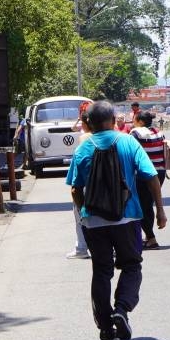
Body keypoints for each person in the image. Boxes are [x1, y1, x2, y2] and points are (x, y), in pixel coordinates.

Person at [66, 101, 167, 340]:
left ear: (88, 123)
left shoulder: (83, 148)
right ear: (113, 120)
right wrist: (160, 211)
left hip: (94, 221)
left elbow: (75, 189)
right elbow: (151, 177)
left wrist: (84, 216)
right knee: (132, 266)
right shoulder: (128, 142)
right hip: (128, 218)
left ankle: (105, 330)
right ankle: (121, 309)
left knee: (101, 272)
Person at [130, 110, 167, 249]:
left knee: (143, 205)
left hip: (144, 174)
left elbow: (131, 152)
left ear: (140, 121)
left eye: (134, 119)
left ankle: (151, 238)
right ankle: (149, 236)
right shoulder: (158, 132)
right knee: (148, 203)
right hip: (160, 173)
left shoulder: (136, 133)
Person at [67, 102, 93, 259]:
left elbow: (75, 186)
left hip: (86, 186)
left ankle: (82, 248)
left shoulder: (83, 144)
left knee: (81, 218)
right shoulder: (118, 139)